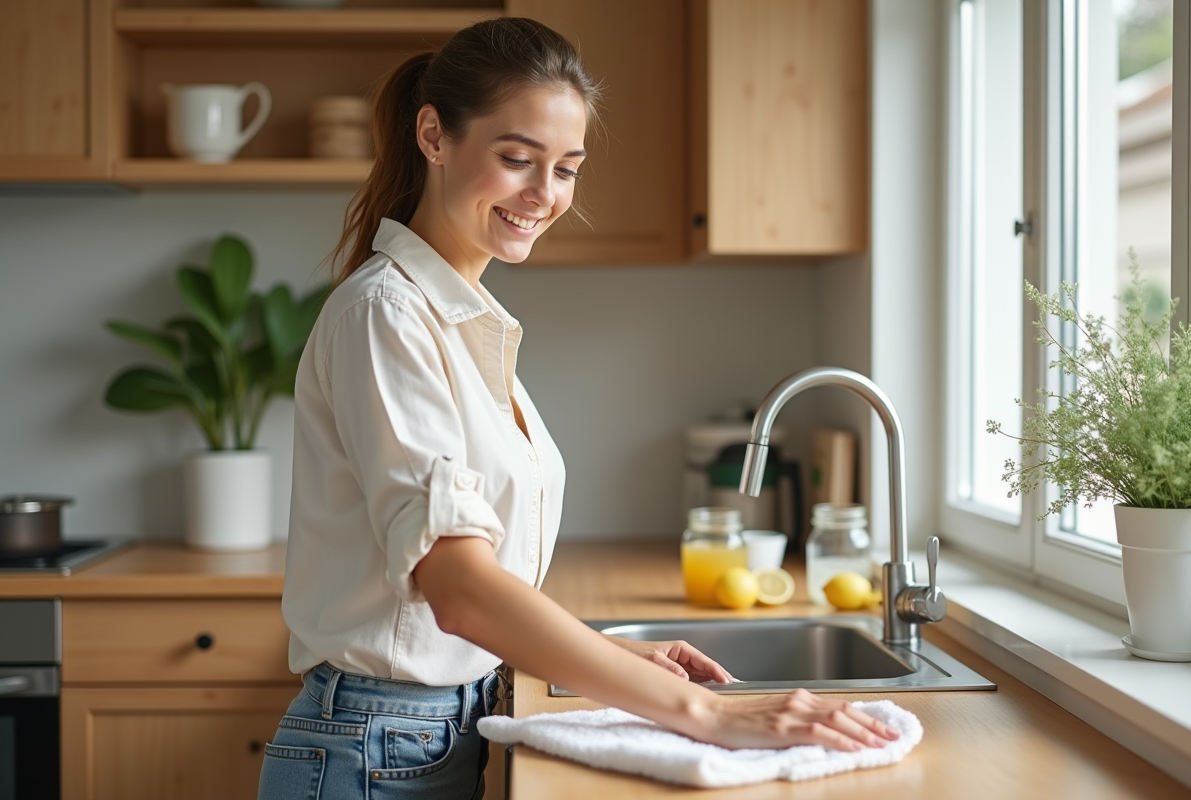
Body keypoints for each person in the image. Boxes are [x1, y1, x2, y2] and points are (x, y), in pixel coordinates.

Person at [258, 17, 898, 800]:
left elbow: (475, 585)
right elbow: (456, 586)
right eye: (517, 159)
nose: (545, 194)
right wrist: (704, 713)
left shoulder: (460, 321)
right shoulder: (386, 314)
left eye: (566, 168)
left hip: (419, 736)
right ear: (433, 134)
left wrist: (616, 656)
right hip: (372, 744)